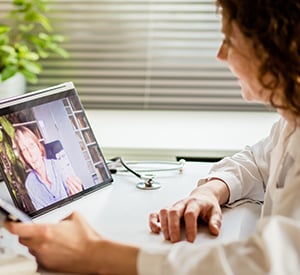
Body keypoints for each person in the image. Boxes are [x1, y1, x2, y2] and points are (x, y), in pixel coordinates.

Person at [4, 0, 300, 274]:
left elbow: (267, 264)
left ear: (272, 48)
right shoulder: (290, 121)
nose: (220, 55)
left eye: (230, 41)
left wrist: (95, 254)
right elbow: (259, 160)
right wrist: (211, 190)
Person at [14, 126, 83, 210]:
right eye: (24, 150)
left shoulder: (59, 165)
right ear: (23, 157)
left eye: (31, 145)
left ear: (38, 147)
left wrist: (78, 196)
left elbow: (77, 201)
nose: (30, 154)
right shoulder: (30, 184)